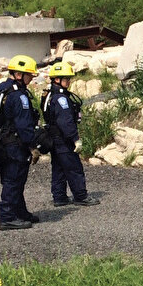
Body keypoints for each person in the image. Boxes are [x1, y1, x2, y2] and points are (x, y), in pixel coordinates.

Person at [0, 55, 41, 231]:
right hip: (15, 144)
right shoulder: (19, 96)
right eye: (29, 75)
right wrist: (32, 145)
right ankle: (8, 217)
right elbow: (24, 124)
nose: (31, 79)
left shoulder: (0, 89)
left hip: (1, 141)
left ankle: (20, 212)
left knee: (13, 180)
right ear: (19, 75)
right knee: (14, 180)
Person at [41, 62, 99, 207]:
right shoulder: (60, 98)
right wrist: (75, 139)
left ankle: (59, 197)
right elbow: (66, 121)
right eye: (65, 78)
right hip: (63, 139)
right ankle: (80, 196)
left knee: (58, 168)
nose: (68, 81)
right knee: (74, 168)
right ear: (57, 79)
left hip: (53, 137)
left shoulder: (49, 94)